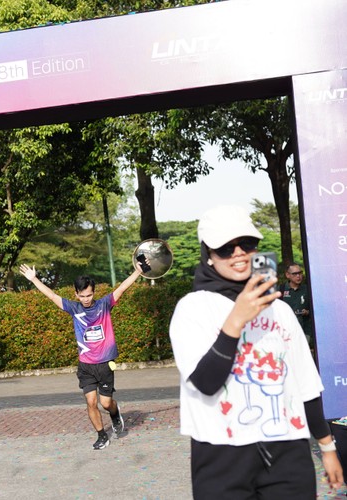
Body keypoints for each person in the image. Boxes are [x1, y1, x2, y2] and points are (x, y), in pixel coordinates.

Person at [169, 205, 343, 499]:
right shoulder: (192, 308)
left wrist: (327, 447)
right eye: (225, 248)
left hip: (288, 451)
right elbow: (205, 383)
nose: (238, 253)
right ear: (208, 255)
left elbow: (306, 385)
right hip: (222, 453)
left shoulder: (280, 310)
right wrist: (235, 320)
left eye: (246, 244)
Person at [19, 261, 147, 450]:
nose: (86, 299)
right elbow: (52, 295)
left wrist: (137, 271)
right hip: (86, 365)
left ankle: (114, 413)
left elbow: (122, 288)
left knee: (105, 403)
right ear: (76, 294)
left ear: (94, 292)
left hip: (105, 363)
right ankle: (102, 435)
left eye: (89, 295)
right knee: (91, 401)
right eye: (82, 295)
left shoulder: (104, 304)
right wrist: (34, 279)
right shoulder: (74, 308)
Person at [279, 262, 313, 345]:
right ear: (288, 275)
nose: (298, 276)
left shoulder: (308, 289)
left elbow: (316, 309)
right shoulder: (281, 289)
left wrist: (307, 312)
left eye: (300, 273)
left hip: (304, 330)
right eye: (295, 274)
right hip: (286, 331)